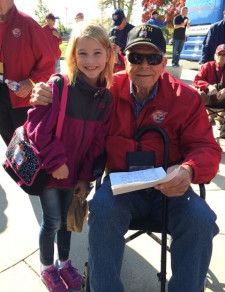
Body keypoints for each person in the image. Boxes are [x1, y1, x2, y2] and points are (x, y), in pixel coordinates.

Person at [30, 24, 221, 292]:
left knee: (200, 220)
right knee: (103, 209)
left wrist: (189, 170)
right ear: (124, 59)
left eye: (153, 58)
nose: (144, 65)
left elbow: (207, 147)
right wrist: (46, 92)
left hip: (168, 187)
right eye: (136, 57)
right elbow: (72, 86)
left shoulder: (185, 97)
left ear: (164, 62)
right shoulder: (107, 89)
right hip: (121, 186)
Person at [27, 22, 115, 292]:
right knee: (52, 220)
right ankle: (46, 267)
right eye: (83, 53)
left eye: (97, 53)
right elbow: (37, 130)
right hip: (50, 170)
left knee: (66, 220)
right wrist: (56, 162)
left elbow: (97, 144)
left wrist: (86, 177)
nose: (90, 60)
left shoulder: (105, 98)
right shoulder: (60, 86)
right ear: (73, 54)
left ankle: (63, 262)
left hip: (74, 174)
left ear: (108, 55)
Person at [0, 0, 55, 146]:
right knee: (12, 150)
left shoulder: (28, 24)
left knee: (30, 150)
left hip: (23, 100)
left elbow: (49, 61)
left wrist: (31, 82)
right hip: (1, 97)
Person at [193, 44, 225, 137]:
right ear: (215, 55)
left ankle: (223, 129)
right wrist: (209, 86)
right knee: (198, 95)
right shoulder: (207, 66)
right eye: (220, 54)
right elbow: (196, 81)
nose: (222, 57)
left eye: (224, 55)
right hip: (209, 97)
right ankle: (197, 127)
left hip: (223, 99)